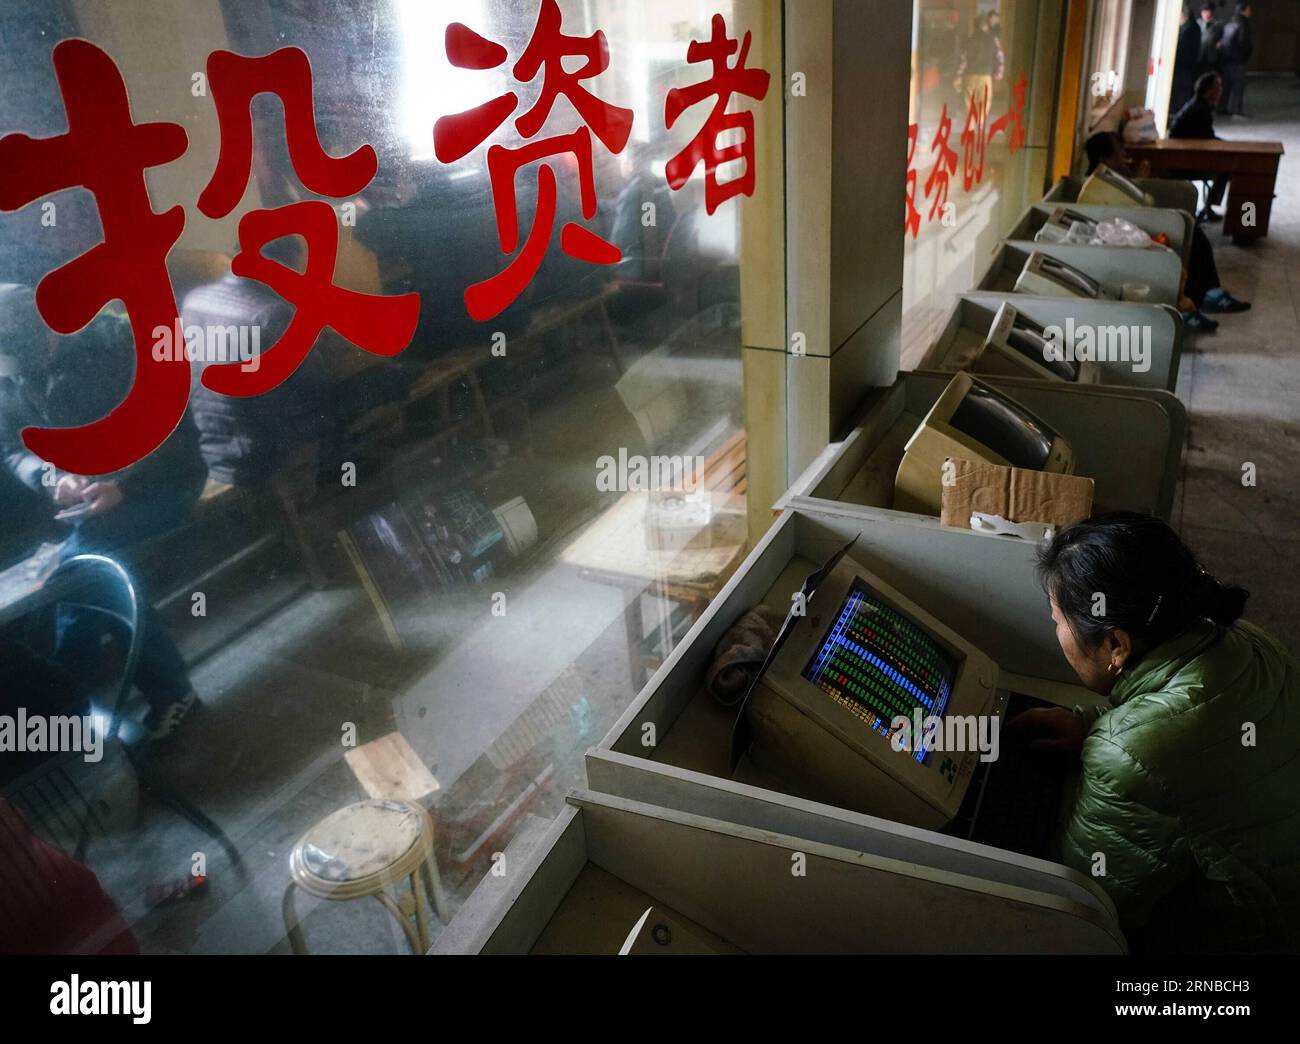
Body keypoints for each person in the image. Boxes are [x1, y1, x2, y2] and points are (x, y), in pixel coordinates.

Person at [1014, 513, 1300, 953]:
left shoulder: (1129, 751)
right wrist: (1090, 728)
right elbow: (1200, 740)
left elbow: (1086, 903)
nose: (1056, 630)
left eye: (1057, 619)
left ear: (1116, 646)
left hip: (1259, 930)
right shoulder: (1243, 640)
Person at [0, 284, 205, 740]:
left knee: (90, 564)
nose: (15, 375)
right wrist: (53, 479)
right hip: (93, 503)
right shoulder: (9, 373)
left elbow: (169, 422)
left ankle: (165, 693)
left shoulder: (114, 345)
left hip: (166, 482)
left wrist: (124, 486)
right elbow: (12, 448)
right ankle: (76, 700)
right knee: (80, 563)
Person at [1084, 131, 1250, 332]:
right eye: (1120, 152)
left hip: (1135, 227)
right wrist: (1140, 182)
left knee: (1193, 234)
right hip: (1125, 236)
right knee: (1187, 240)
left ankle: (1205, 295)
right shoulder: (1098, 183)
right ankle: (1198, 301)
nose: (1125, 156)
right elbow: (1129, 211)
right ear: (1104, 158)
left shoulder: (1116, 175)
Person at [1169, 71, 1229, 222]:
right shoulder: (1200, 110)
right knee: (1225, 169)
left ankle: (1208, 208)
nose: (1221, 91)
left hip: (1185, 154)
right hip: (1184, 160)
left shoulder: (1199, 105)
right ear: (1208, 90)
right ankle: (1209, 207)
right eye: (1218, 87)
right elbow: (1208, 139)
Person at [1217, 3, 1254, 116]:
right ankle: (1236, 110)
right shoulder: (1244, 24)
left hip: (1226, 58)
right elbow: (1244, 43)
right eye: (1249, 8)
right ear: (1245, 10)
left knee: (1226, 85)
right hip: (1238, 59)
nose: (1251, 11)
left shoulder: (1230, 21)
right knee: (1238, 85)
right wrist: (1246, 55)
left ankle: (1222, 107)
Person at [1170, 5, 1204, 115]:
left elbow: (1184, 49)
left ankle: (1180, 113)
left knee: (1182, 93)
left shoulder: (1189, 29)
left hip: (1185, 67)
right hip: (1187, 67)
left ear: (1184, 16)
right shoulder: (1191, 27)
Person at [1196, 2, 1223, 76]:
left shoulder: (1218, 24)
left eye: (1208, 12)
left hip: (1211, 57)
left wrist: (1219, 44)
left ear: (1212, 12)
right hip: (1198, 55)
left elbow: (1222, 38)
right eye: (1204, 12)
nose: (1206, 14)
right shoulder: (1197, 23)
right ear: (1201, 13)